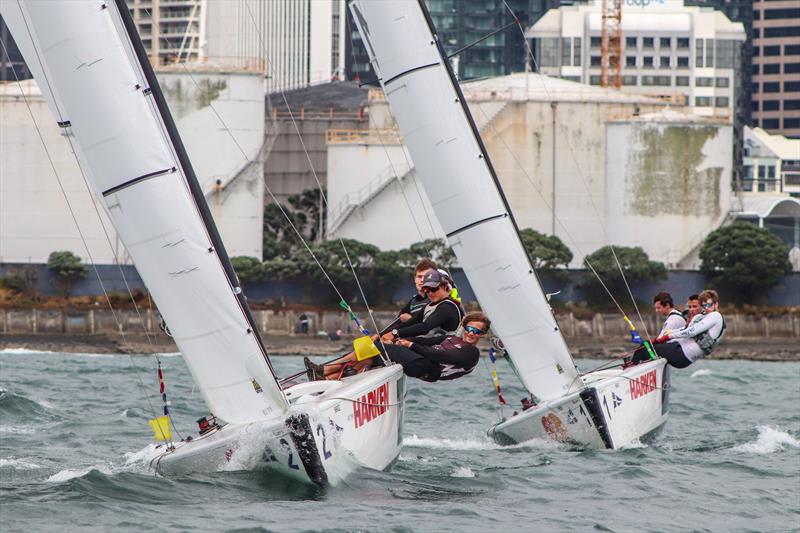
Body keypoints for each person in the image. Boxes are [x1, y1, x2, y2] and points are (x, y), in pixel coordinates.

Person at [310, 312, 491, 382]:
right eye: (470, 328)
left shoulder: (471, 354)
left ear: (482, 335)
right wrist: (398, 338)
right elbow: (425, 341)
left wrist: (409, 345)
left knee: (378, 347)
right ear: (463, 327)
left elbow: (440, 357)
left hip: (428, 368)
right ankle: (329, 378)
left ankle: (325, 369)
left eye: (478, 331)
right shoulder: (451, 338)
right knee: (373, 350)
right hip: (421, 359)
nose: (472, 333)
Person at [631, 289, 725, 368]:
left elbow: (691, 332)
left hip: (682, 355)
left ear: (716, 304)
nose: (706, 308)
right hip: (679, 349)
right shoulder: (704, 316)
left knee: (644, 348)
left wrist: (668, 336)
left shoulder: (715, 316)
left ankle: (630, 370)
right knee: (647, 345)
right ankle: (638, 367)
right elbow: (686, 329)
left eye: (709, 305)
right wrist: (670, 332)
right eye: (704, 306)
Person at [382, 269, 464, 341]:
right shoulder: (429, 305)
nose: (430, 293)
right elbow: (410, 323)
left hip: (443, 351)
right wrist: (381, 335)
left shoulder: (447, 307)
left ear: (446, 287)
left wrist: (396, 334)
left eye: (433, 289)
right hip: (429, 346)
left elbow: (424, 327)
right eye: (426, 290)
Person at [396, 258, 437, 325]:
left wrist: (410, 320)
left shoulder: (439, 300)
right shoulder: (413, 301)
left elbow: (432, 326)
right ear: (415, 279)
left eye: (426, 276)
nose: (422, 280)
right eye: (419, 276)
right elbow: (396, 324)